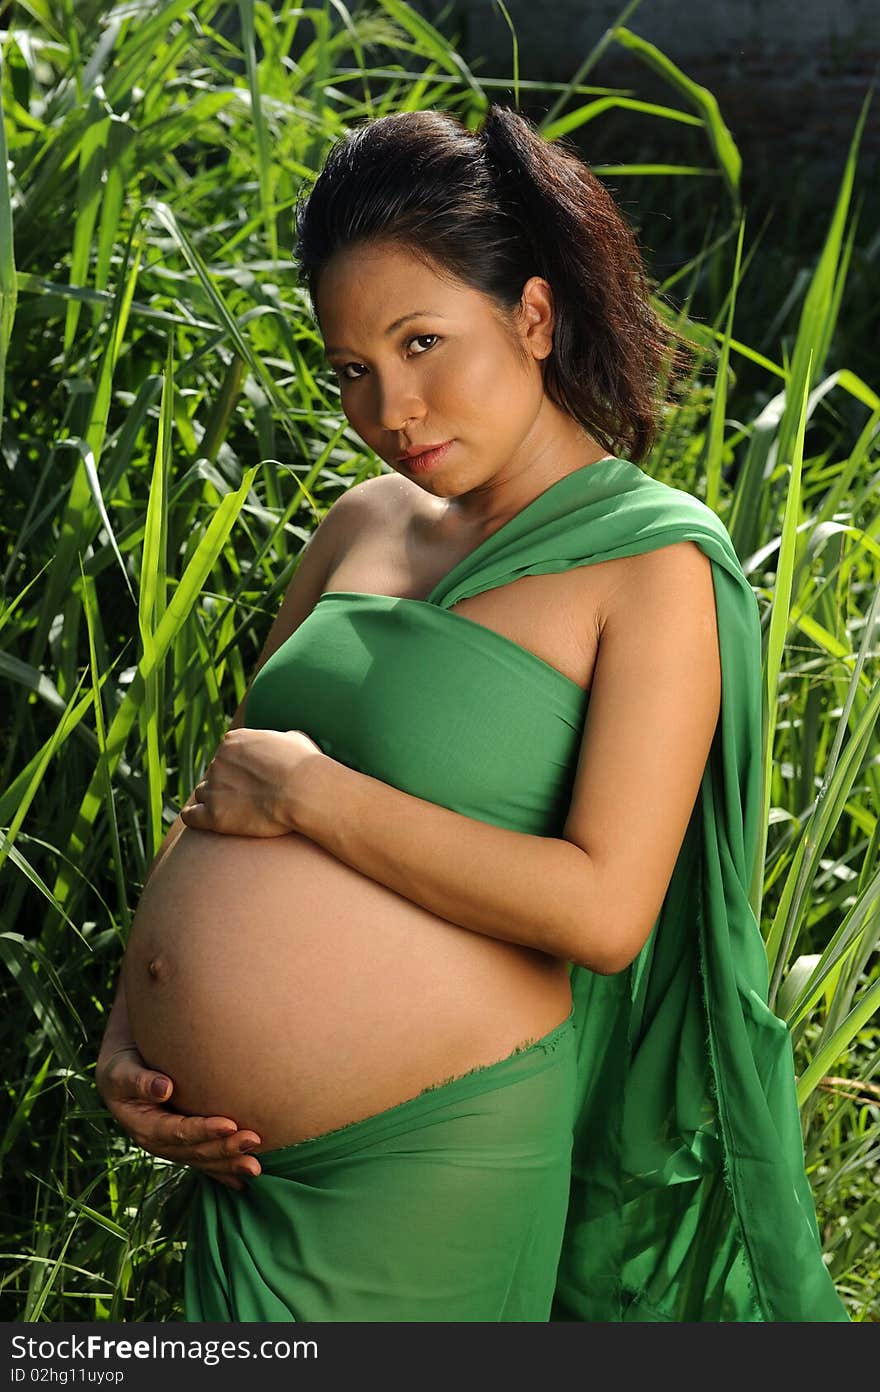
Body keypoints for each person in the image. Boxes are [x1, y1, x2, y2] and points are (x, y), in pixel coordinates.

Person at [96, 104, 849, 1322]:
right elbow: (227, 797)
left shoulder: (649, 564)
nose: (391, 408)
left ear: (534, 317)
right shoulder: (363, 523)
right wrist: (130, 1034)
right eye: (352, 368)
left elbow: (603, 911)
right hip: (236, 1161)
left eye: (423, 342)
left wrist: (315, 796)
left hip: (435, 1161)